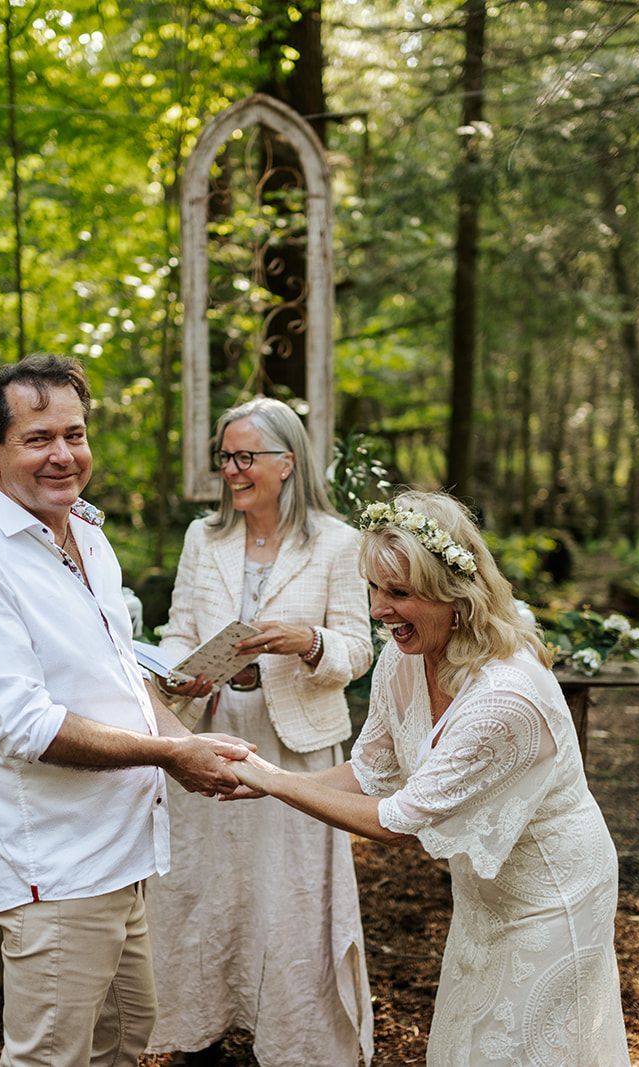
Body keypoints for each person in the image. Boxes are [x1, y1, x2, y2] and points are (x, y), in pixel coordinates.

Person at [0, 355, 253, 1067]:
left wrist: (188, 743)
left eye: (74, 434)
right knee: (50, 1058)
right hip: (60, 869)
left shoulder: (88, 534)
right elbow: (27, 726)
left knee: (126, 1041)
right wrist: (171, 755)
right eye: (38, 438)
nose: (63, 455)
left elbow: (121, 672)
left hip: (126, 854)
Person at [225, 490, 630, 1067]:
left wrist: (274, 781)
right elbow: (371, 770)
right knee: (467, 1041)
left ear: (455, 594)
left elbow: (398, 822)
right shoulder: (405, 657)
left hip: (553, 890)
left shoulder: (503, 698)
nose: (378, 610)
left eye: (399, 593)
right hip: (485, 888)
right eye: (373, 588)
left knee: (522, 1048)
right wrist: (267, 779)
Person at [146, 398, 375, 1066]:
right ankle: (199, 1033)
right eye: (225, 456)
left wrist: (309, 642)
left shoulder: (336, 542)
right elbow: (178, 628)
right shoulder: (203, 537)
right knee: (203, 888)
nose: (232, 469)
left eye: (245, 456)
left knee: (293, 895)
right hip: (212, 737)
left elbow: (359, 647)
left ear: (288, 462)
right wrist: (179, 671)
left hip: (297, 747)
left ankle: (299, 1042)